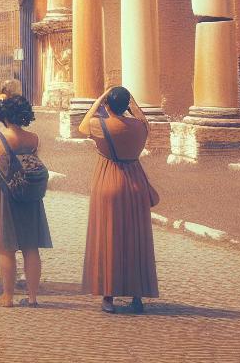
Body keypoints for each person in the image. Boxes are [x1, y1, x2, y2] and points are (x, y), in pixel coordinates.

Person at [81, 86, 160, 314]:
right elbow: (144, 120)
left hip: (108, 181)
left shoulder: (101, 124)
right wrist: (132, 103)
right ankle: (137, 296)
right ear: (126, 105)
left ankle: (108, 297)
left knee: (109, 240)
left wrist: (98, 101)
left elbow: (82, 125)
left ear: (108, 105)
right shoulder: (139, 127)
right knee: (135, 240)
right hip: (136, 183)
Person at [0, 93, 50, 308]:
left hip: (6, 196)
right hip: (30, 196)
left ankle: (7, 297)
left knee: (7, 248)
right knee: (31, 248)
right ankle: (32, 297)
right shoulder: (34, 139)